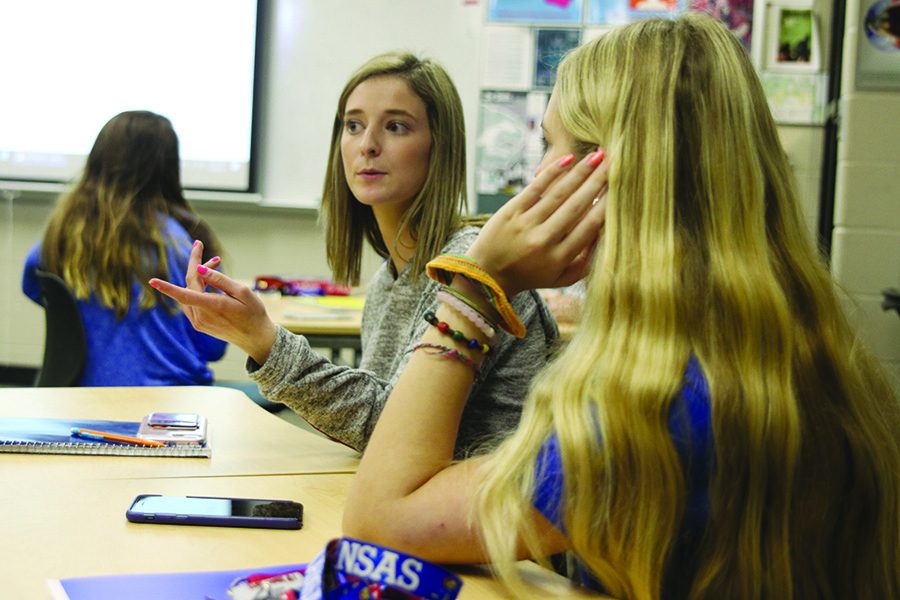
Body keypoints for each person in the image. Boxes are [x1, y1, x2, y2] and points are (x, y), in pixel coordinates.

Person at [340, 15, 900, 599]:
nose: (537, 175)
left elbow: (382, 519)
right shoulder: (809, 355)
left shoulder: (656, 408)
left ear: (618, 173)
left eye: (554, 147)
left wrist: (475, 288)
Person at [150, 52, 558, 457]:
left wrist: (264, 340)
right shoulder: (388, 280)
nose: (367, 145)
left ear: (440, 147)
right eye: (353, 125)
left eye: (396, 126)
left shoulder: (468, 265)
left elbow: (390, 430)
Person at [22, 110, 228, 386]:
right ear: (168, 169)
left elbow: (36, 289)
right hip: (174, 406)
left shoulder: (61, 236)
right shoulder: (184, 245)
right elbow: (214, 347)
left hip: (80, 404)